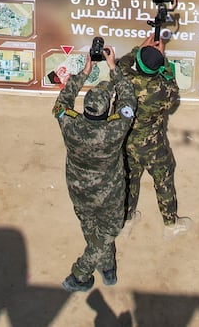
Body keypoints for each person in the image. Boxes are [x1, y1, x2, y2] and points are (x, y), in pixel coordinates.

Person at [53, 44, 133, 293]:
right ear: (106, 109)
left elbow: (63, 99)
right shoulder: (115, 128)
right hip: (109, 192)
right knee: (109, 229)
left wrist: (85, 71)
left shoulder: (69, 122)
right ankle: (81, 273)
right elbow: (129, 99)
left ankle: (108, 268)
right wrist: (113, 67)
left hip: (78, 188)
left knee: (90, 227)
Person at [118, 37, 190, 237]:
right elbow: (173, 92)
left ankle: (127, 219)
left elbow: (120, 64)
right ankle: (170, 224)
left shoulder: (124, 77)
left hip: (126, 141)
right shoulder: (163, 90)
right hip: (152, 147)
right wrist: (162, 58)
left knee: (129, 179)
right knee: (163, 180)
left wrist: (138, 49)